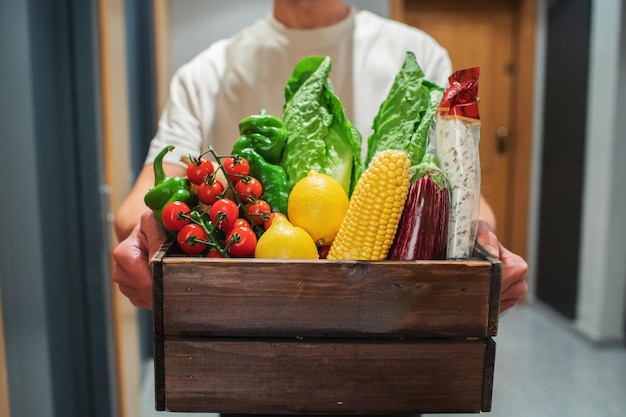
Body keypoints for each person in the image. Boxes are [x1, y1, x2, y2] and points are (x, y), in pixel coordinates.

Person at [112, 0, 528, 312]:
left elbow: (466, 193)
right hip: (249, 335)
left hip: (391, 325)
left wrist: (485, 243)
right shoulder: (204, 73)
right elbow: (137, 206)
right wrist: (149, 231)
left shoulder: (419, 53)